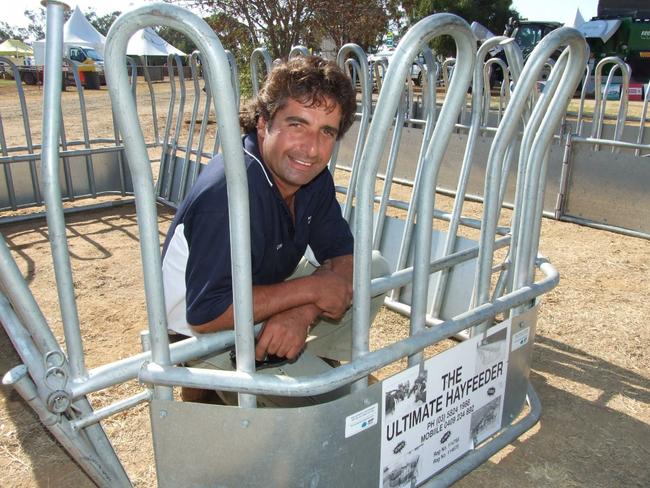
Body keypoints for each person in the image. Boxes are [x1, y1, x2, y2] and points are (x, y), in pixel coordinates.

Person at [162, 55, 387, 403]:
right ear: (264, 123)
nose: (311, 148)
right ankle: (213, 383)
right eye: (297, 124)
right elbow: (206, 313)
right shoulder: (229, 189)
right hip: (198, 330)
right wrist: (311, 288)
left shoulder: (311, 176)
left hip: (257, 291)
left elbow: (343, 255)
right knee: (326, 404)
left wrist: (301, 312)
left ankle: (298, 353)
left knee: (373, 268)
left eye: (326, 131)